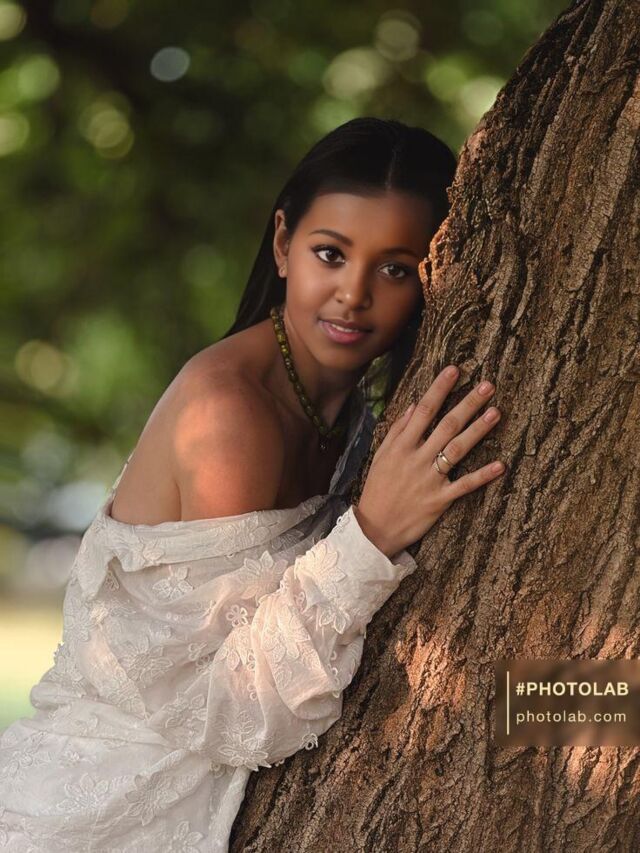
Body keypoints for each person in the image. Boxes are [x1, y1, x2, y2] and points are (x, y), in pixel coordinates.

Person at [0, 117, 505, 851]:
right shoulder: (230, 416)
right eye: (330, 254)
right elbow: (231, 709)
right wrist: (370, 536)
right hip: (95, 820)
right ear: (282, 244)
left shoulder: (345, 407)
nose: (353, 294)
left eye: (395, 268)